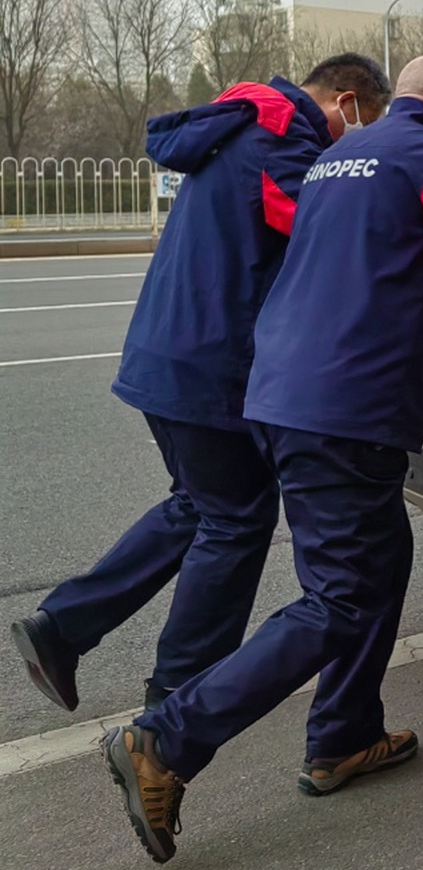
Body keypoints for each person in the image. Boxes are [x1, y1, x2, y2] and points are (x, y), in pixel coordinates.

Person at [102, 54, 423, 864]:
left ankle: (344, 736)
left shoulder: (330, 161)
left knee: (380, 557)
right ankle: (167, 739)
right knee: (340, 596)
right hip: (349, 409)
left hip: (285, 392)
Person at [10, 55, 390, 717]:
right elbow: (324, 233)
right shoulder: (280, 142)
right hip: (212, 362)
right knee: (237, 518)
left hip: (169, 352)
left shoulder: (240, 128)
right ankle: (178, 692)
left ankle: (64, 625)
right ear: (345, 101)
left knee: (200, 504)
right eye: (358, 125)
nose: (348, 143)